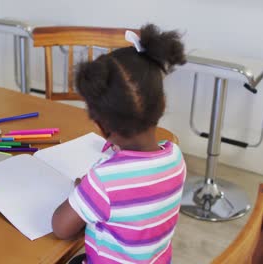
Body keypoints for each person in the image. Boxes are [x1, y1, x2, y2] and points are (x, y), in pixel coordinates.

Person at [52, 24, 187, 264]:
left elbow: (60, 228)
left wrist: (82, 191)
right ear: (162, 104)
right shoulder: (176, 157)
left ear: (100, 125)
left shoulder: (103, 182)